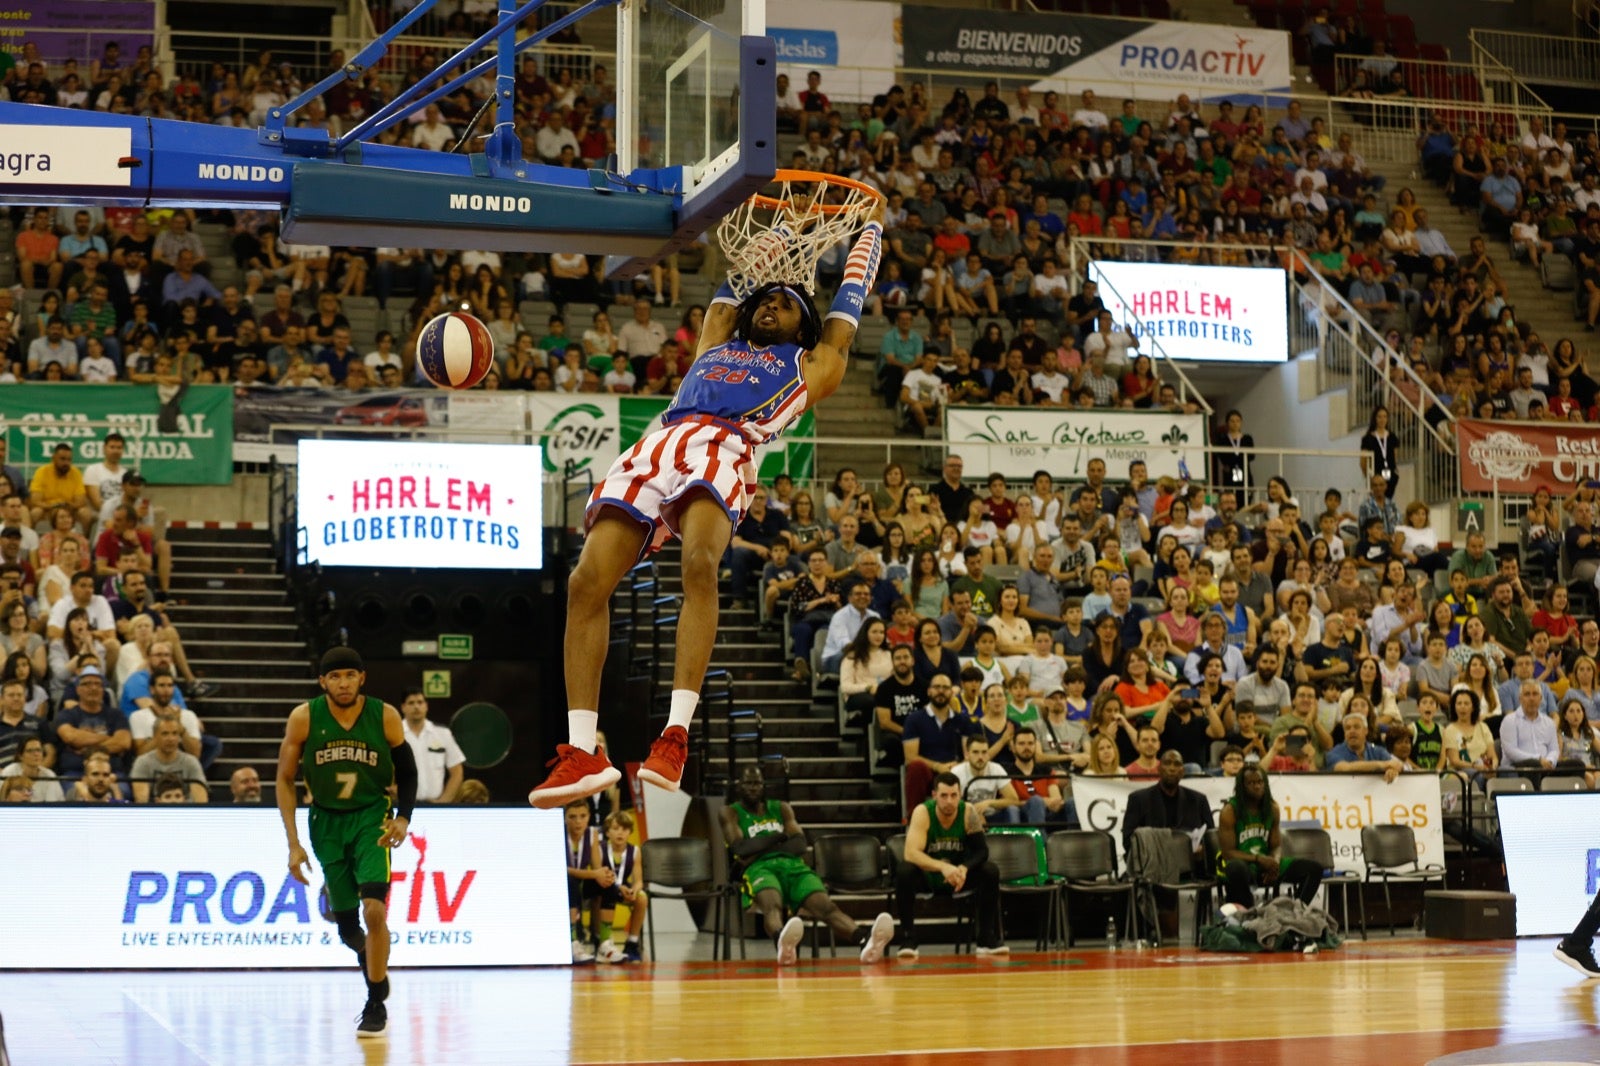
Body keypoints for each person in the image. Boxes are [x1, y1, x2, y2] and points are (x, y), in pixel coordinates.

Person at [531, 202, 886, 808]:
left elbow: (846, 312)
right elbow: (738, 282)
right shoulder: (718, 339)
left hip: (727, 446)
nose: (769, 305)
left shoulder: (810, 363)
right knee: (584, 582)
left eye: (786, 304)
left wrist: (868, 233)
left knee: (698, 563)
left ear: (802, 325)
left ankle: (674, 737)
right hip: (660, 441)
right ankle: (583, 751)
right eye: (766, 301)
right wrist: (784, 227)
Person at [275, 647, 415, 1038]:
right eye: (334, 677)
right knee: (348, 927)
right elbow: (284, 779)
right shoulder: (304, 717)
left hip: (372, 817)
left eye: (350, 675)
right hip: (325, 822)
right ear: (322, 682)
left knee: (375, 910)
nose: (343, 683)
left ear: (362, 678)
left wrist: (403, 818)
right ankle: (374, 964)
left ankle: (375, 1002)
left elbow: (407, 771)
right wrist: (293, 843)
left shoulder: (384, 715)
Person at [721, 767, 895, 965]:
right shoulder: (730, 812)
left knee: (826, 907)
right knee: (772, 906)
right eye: (748, 783)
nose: (753, 788)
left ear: (764, 786)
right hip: (759, 869)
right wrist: (779, 837)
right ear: (739, 786)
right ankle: (782, 944)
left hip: (794, 866)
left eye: (757, 783)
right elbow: (741, 848)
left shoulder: (781, 808)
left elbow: (799, 844)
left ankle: (865, 940)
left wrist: (760, 846)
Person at [895, 772, 1006, 957]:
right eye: (944, 796)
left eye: (954, 795)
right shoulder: (923, 812)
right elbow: (910, 853)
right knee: (904, 871)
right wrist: (943, 867)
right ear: (934, 795)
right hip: (929, 875)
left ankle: (986, 939)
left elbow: (982, 851)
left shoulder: (968, 811)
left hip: (959, 878)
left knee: (990, 871)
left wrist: (964, 868)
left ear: (960, 795)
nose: (949, 801)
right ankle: (908, 939)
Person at [1216, 765, 1323, 908]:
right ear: (1241, 787)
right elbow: (1228, 854)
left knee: (1314, 869)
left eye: (1260, 782)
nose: (1257, 786)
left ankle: (1295, 913)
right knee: (1235, 868)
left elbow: (1276, 845)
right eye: (1251, 783)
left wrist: (1275, 864)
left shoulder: (1272, 808)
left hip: (1266, 862)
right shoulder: (1229, 811)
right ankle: (1249, 915)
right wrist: (1258, 859)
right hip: (1244, 863)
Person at [399, 686, 465, 803]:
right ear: (403, 707)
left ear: (426, 706)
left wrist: (444, 801)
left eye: (420, 702)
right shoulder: (393, 734)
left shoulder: (443, 734)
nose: (416, 707)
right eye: (411, 703)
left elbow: (457, 771)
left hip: (435, 806)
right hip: (401, 806)